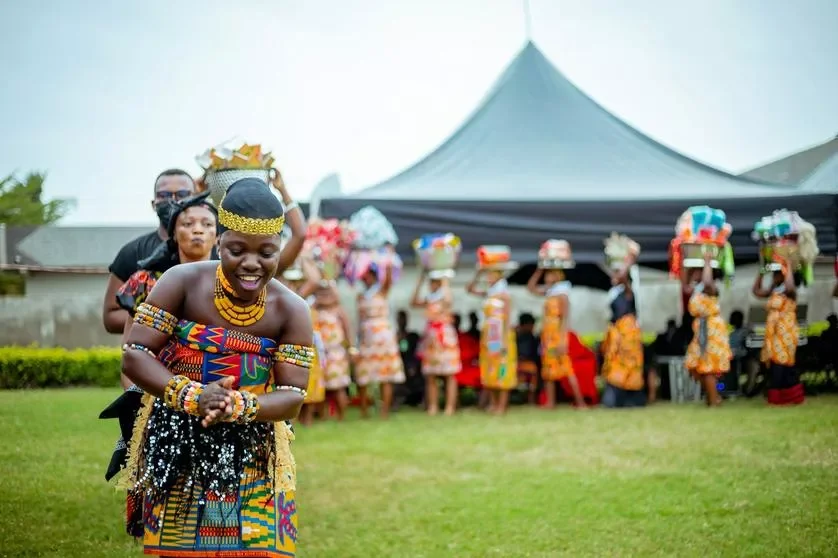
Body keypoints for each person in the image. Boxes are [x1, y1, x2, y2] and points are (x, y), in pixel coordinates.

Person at [118, 177, 312, 557]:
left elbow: (293, 396)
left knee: (257, 551)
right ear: (218, 242)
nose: (252, 264)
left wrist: (237, 406)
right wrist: (192, 395)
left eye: (267, 252)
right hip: (177, 441)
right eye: (237, 249)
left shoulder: (292, 309)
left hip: (257, 449)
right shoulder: (182, 281)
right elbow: (135, 352)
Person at [99, 192, 219, 537]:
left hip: (217, 392)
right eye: (187, 223)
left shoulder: (232, 282)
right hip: (160, 392)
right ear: (172, 231)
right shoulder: (147, 282)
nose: (197, 231)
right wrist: (136, 397)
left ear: (218, 235)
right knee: (165, 485)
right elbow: (130, 348)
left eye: (206, 224)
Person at [103, 169, 196, 334]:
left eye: (182, 194)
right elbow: (111, 317)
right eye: (165, 195)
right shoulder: (133, 252)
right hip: (149, 354)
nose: (173, 200)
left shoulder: (218, 250)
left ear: (196, 199)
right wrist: (163, 321)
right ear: (154, 204)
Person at [527, 267, 587, 408]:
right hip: (547, 336)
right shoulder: (549, 292)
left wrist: (562, 339)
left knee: (566, 368)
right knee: (548, 369)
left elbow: (565, 318)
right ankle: (550, 402)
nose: (547, 277)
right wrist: (538, 271)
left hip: (557, 335)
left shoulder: (562, 293)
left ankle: (580, 402)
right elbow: (531, 288)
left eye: (550, 274)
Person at [355, 257, 406, 418]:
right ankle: (364, 410)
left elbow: (388, 279)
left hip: (383, 337)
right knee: (363, 374)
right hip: (366, 337)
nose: (365, 279)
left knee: (386, 375)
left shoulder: (382, 291)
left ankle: (384, 411)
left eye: (367, 275)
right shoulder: (361, 296)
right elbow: (359, 320)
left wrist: (386, 258)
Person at [280, 257, 326, 425]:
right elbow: (314, 280)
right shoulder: (289, 297)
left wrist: (304, 256)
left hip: (309, 345)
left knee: (310, 383)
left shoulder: (301, 297)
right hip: (291, 345)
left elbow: (314, 280)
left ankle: (306, 421)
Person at [466, 265, 518, 415]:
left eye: (491, 274)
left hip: (501, 334)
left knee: (502, 368)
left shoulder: (504, 295)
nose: (488, 277)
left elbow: (507, 319)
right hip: (489, 335)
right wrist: (479, 272)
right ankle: (494, 404)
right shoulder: (490, 294)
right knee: (491, 368)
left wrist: (503, 340)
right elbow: (469, 289)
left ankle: (502, 405)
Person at [752, 261, 804, 405]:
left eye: (777, 274)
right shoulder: (774, 290)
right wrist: (762, 272)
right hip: (773, 331)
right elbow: (756, 291)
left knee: (783, 362)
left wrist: (787, 264)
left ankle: (785, 396)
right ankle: (779, 396)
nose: (774, 276)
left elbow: (790, 286)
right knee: (774, 361)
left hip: (786, 331)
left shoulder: (790, 292)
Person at [410, 270, 461, 415]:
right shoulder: (429, 299)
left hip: (445, 337)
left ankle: (450, 407)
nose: (431, 285)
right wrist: (420, 280)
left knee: (449, 373)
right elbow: (413, 302)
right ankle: (433, 406)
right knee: (431, 374)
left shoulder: (444, 297)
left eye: (434, 282)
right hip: (431, 338)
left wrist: (444, 279)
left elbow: (448, 300)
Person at [683, 251, 730, 407]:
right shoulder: (697, 289)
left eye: (699, 270)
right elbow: (685, 286)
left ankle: (713, 400)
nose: (696, 272)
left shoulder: (711, 288)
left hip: (712, 331)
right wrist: (686, 263)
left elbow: (708, 282)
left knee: (708, 367)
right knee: (693, 366)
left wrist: (707, 261)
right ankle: (713, 396)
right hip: (701, 330)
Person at [600, 254, 646, 408]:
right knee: (614, 365)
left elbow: (624, 278)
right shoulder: (614, 293)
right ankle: (615, 399)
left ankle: (631, 399)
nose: (615, 276)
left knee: (630, 366)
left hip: (629, 336)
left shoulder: (629, 292)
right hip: (616, 333)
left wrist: (628, 262)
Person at [313, 280, 354, 420]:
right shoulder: (314, 310)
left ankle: (342, 417)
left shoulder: (338, 310)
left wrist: (351, 349)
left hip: (336, 353)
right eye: (321, 293)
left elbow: (348, 331)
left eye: (327, 293)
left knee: (338, 387)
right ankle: (323, 417)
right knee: (321, 386)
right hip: (319, 354)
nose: (324, 296)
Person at [515, 313, 540, 405]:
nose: (532, 327)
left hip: (529, 364)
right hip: (514, 363)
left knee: (533, 369)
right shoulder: (514, 337)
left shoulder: (534, 338)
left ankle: (531, 399)